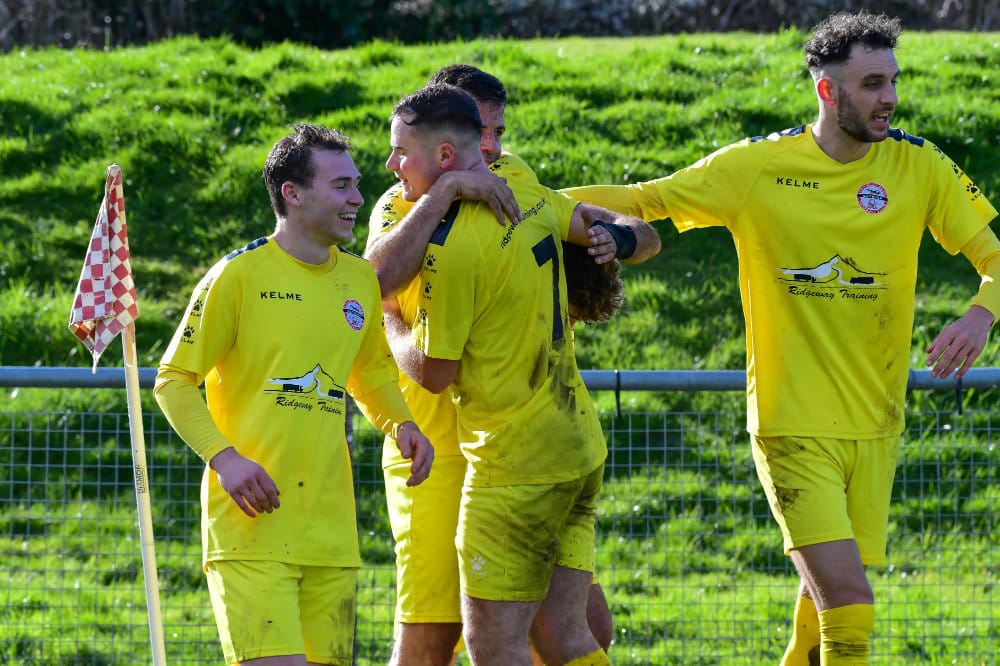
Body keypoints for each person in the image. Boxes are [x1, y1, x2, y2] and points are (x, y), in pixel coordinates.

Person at [565, 10, 999, 665]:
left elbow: (994, 257)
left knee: (819, 613)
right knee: (849, 603)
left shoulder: (921, 165)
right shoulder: (758, 167)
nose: (889, 97)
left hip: (877, 421)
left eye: (893, 81)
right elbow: (649, 199)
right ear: (827, 90)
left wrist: (980, 314)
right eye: (872, 84)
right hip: (791, 422)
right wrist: (528, 197)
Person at [366, 65, 658, 666]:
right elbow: (374, 280)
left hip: (508, 451)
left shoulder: (514, 182)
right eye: (482, 131)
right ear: (449, 145)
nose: (493, 146)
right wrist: (447, 191)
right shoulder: (402, 203)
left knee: (563, 633)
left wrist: (618, 241)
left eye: (497, 132)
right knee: (432, 641)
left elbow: (630, 232)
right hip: (436, 455)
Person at [153, 123, 434, 666]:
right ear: (293, 193)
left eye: (356, 184)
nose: (357, 199)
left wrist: (402, 423)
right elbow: (173, 380)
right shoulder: (237, 275)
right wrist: (225, 459)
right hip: (251, 529)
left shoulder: (359, 280)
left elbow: (371, 373)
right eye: (341, 186)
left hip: (331, 535)